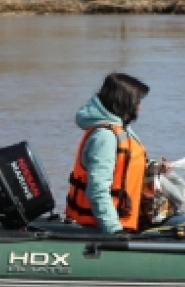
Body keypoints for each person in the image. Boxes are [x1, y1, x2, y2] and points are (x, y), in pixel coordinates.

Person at [64, 72, 151, 234]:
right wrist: (114, 230)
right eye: (137, 101)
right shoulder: (105, 137)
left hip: (122, 221)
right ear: (124, 103)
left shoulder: (120, 129)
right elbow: (97, 190)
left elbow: (125, 165)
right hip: (102, 228)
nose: (140, 107)